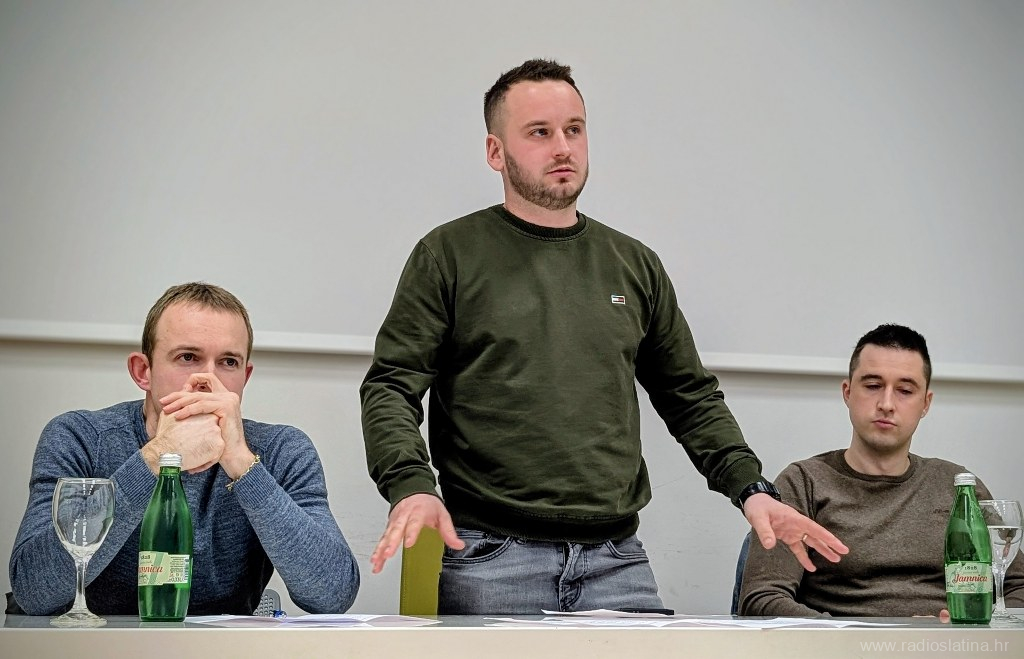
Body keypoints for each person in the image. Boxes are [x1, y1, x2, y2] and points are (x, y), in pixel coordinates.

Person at [360, 58, 847, 614]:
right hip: (491, 557)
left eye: (574, 129)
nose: (563, 147)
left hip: (616, 560)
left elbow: (689, 396)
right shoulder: (448, 255)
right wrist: (411, 485)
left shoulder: (633, 264)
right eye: (539, 133)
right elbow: (391, 387)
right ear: (496, 152)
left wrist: (750, 487)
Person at [8, 282, 359, 616]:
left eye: (229, 362)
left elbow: (333, 595)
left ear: (245, 377)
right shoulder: (79, 437)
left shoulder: (282, 450)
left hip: (220, 648)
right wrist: (156, 457)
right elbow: (35, 590)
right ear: (143, 371)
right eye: (188, 357)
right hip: (96, 645)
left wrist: (242, 463)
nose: (208, 380)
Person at [739, 323, 1024, 617]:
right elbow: (761, 600)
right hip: (841, 642)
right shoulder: (803, 482)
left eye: (905, 390)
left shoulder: (959, 488)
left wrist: (967, 623)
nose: (886, 404)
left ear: (925, 404)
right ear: (848, 392)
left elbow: (1017, 587)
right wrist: (858, 636)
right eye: (873, 386)